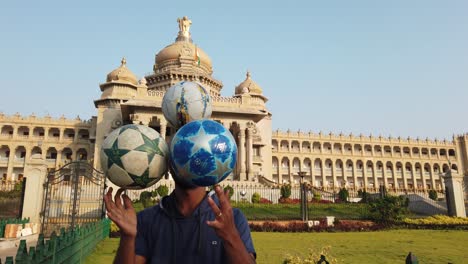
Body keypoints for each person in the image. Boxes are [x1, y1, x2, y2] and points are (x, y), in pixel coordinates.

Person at [104, 183, 256, 264]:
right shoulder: (146, 219)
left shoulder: (232, 219)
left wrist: (231, 236)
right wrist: (128, 238)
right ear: (169, 163)